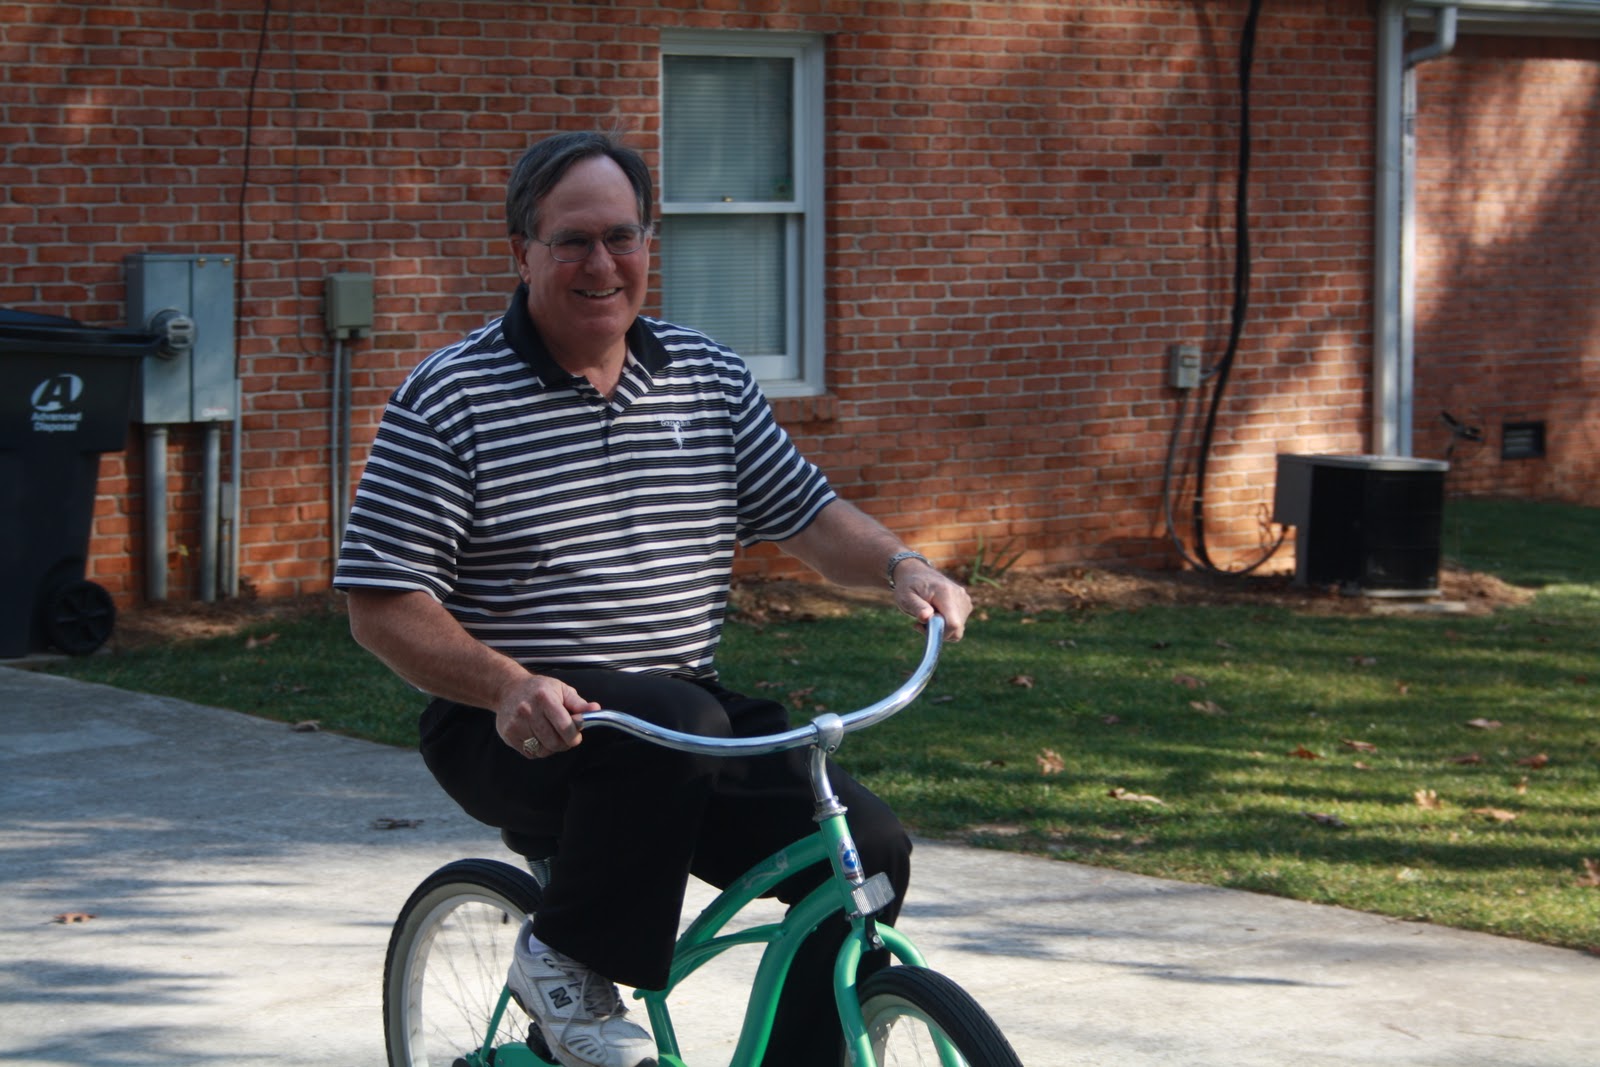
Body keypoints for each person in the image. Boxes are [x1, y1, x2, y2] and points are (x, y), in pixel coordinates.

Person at [334, 129, 972, 1067]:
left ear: (648, 246)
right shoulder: (451, 396)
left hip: (682, 720)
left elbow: (807, 514)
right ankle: (564, 960)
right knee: (676, 721)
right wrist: (507, 684)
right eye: (572, 241)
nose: (603, 264)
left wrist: (902, 565)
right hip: (510, 726)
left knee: (864, 847)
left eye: (622, 237)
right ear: (522, 253)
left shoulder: (705, 376)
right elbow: (381, 603)